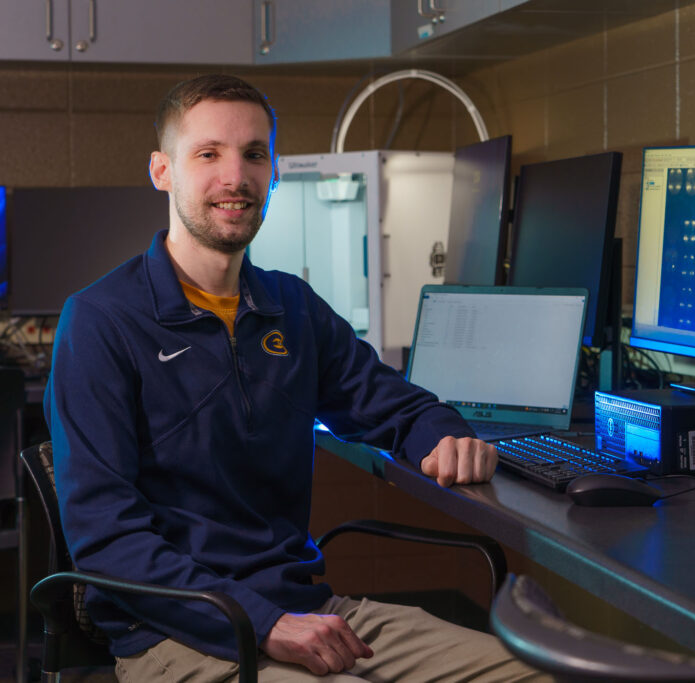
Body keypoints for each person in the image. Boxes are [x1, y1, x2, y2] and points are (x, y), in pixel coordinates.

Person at [45, 74, 546, 682]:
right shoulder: (101, 321)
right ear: (162, 171)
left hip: (311, 610)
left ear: (274, 171)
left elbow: (396, 406)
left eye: (255, 154)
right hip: (178, 632)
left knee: (532, 673)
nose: (236, 177)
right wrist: (262, 625)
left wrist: (445, 436)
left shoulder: (292, 307)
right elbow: (105, 535)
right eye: (208, 154)